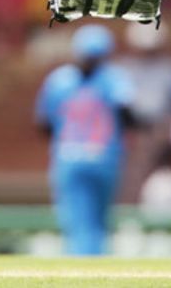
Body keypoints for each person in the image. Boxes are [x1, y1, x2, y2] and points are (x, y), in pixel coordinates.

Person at [34, 25, 136, 256]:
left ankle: (80, 262)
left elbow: (43, 123)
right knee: (97, 219)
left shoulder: (59, 79)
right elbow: (128, 116)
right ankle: (94, 261)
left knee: (76, 218)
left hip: (69, 157)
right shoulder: (114, 79)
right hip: (104, 156)